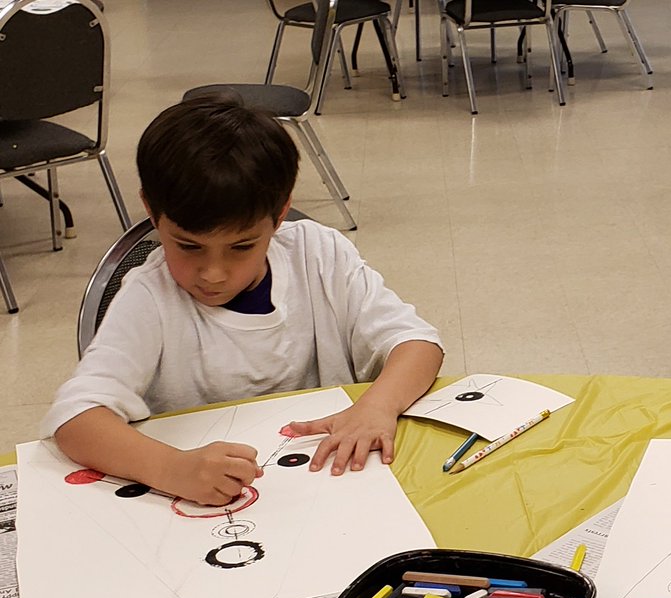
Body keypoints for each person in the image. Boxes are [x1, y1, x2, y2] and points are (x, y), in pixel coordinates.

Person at [43, 96, 444, 506]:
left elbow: (417, 344)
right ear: (151, 210)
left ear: (281, 213)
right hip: (201, 506)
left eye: (241, 246)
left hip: (326, 493)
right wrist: (172, 469)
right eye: (188, 246)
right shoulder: (149, 296)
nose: (213, 273)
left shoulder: (318, 254)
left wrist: (377, 406)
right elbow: (75, 419)